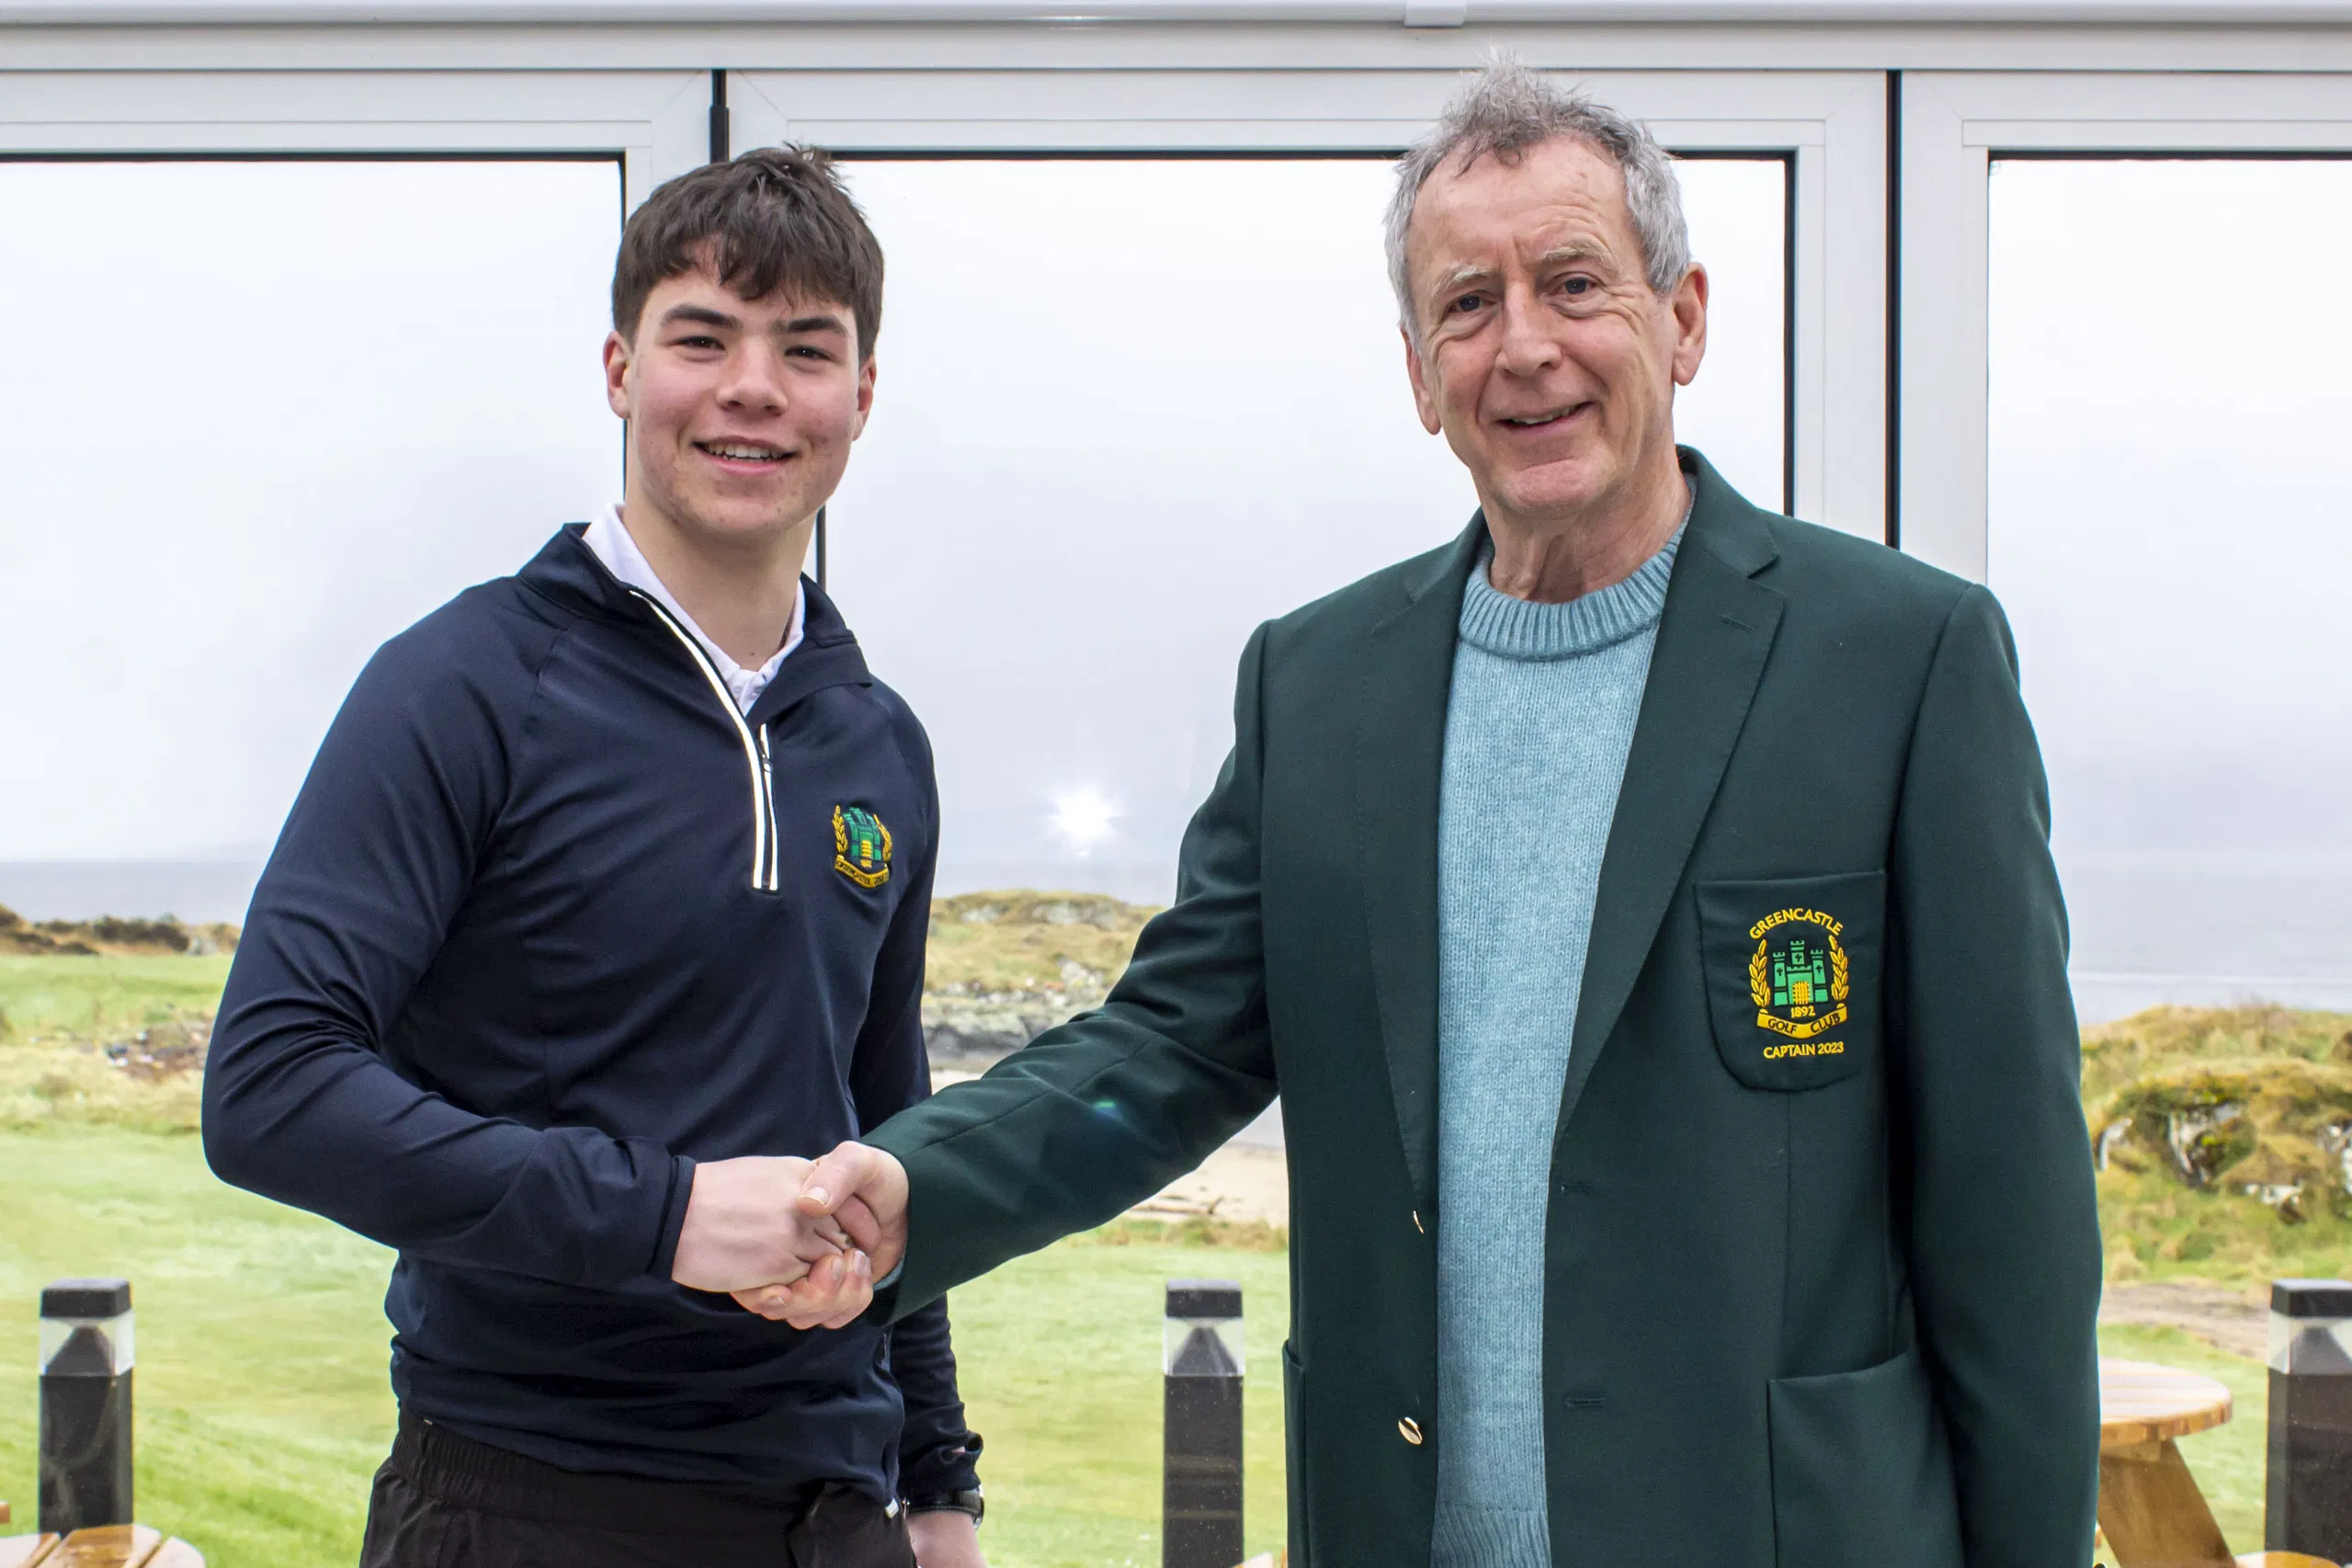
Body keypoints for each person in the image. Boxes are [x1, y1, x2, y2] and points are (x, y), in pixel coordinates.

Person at [764, 58, 2102, 1568]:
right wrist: (907, 1183)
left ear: (1685, 316)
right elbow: (1167, 1046)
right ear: (1417, 376)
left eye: (1574, 283)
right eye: (1466, 305)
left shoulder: (1901, 658)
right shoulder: (1316, 684)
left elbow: (2011, 1214)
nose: (1522, 346)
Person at [202, 148, 987, 1568]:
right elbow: (271, 1085)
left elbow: (884, 1122)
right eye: (704, 337)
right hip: (529, 1496)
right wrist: (668, 1214)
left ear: (860, 397)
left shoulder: (878, 742)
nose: (752, 385)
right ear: (622, 368)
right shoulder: (462, 683)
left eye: (805, 348)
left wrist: (937, 1482)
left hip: (838, 1507)